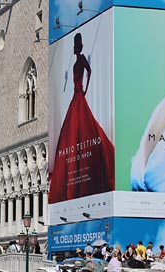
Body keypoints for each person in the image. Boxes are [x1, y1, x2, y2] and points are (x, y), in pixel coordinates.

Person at [49, 32, 115, 203]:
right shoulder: (77, 61)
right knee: (72, 134)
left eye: (75, 45)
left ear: (79, 46)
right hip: (76, 96)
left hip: (79, 96)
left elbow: (90, 71)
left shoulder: (83, 58)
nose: (74, 48)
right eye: (73, 45)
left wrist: (85, 88)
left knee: (82, 130)